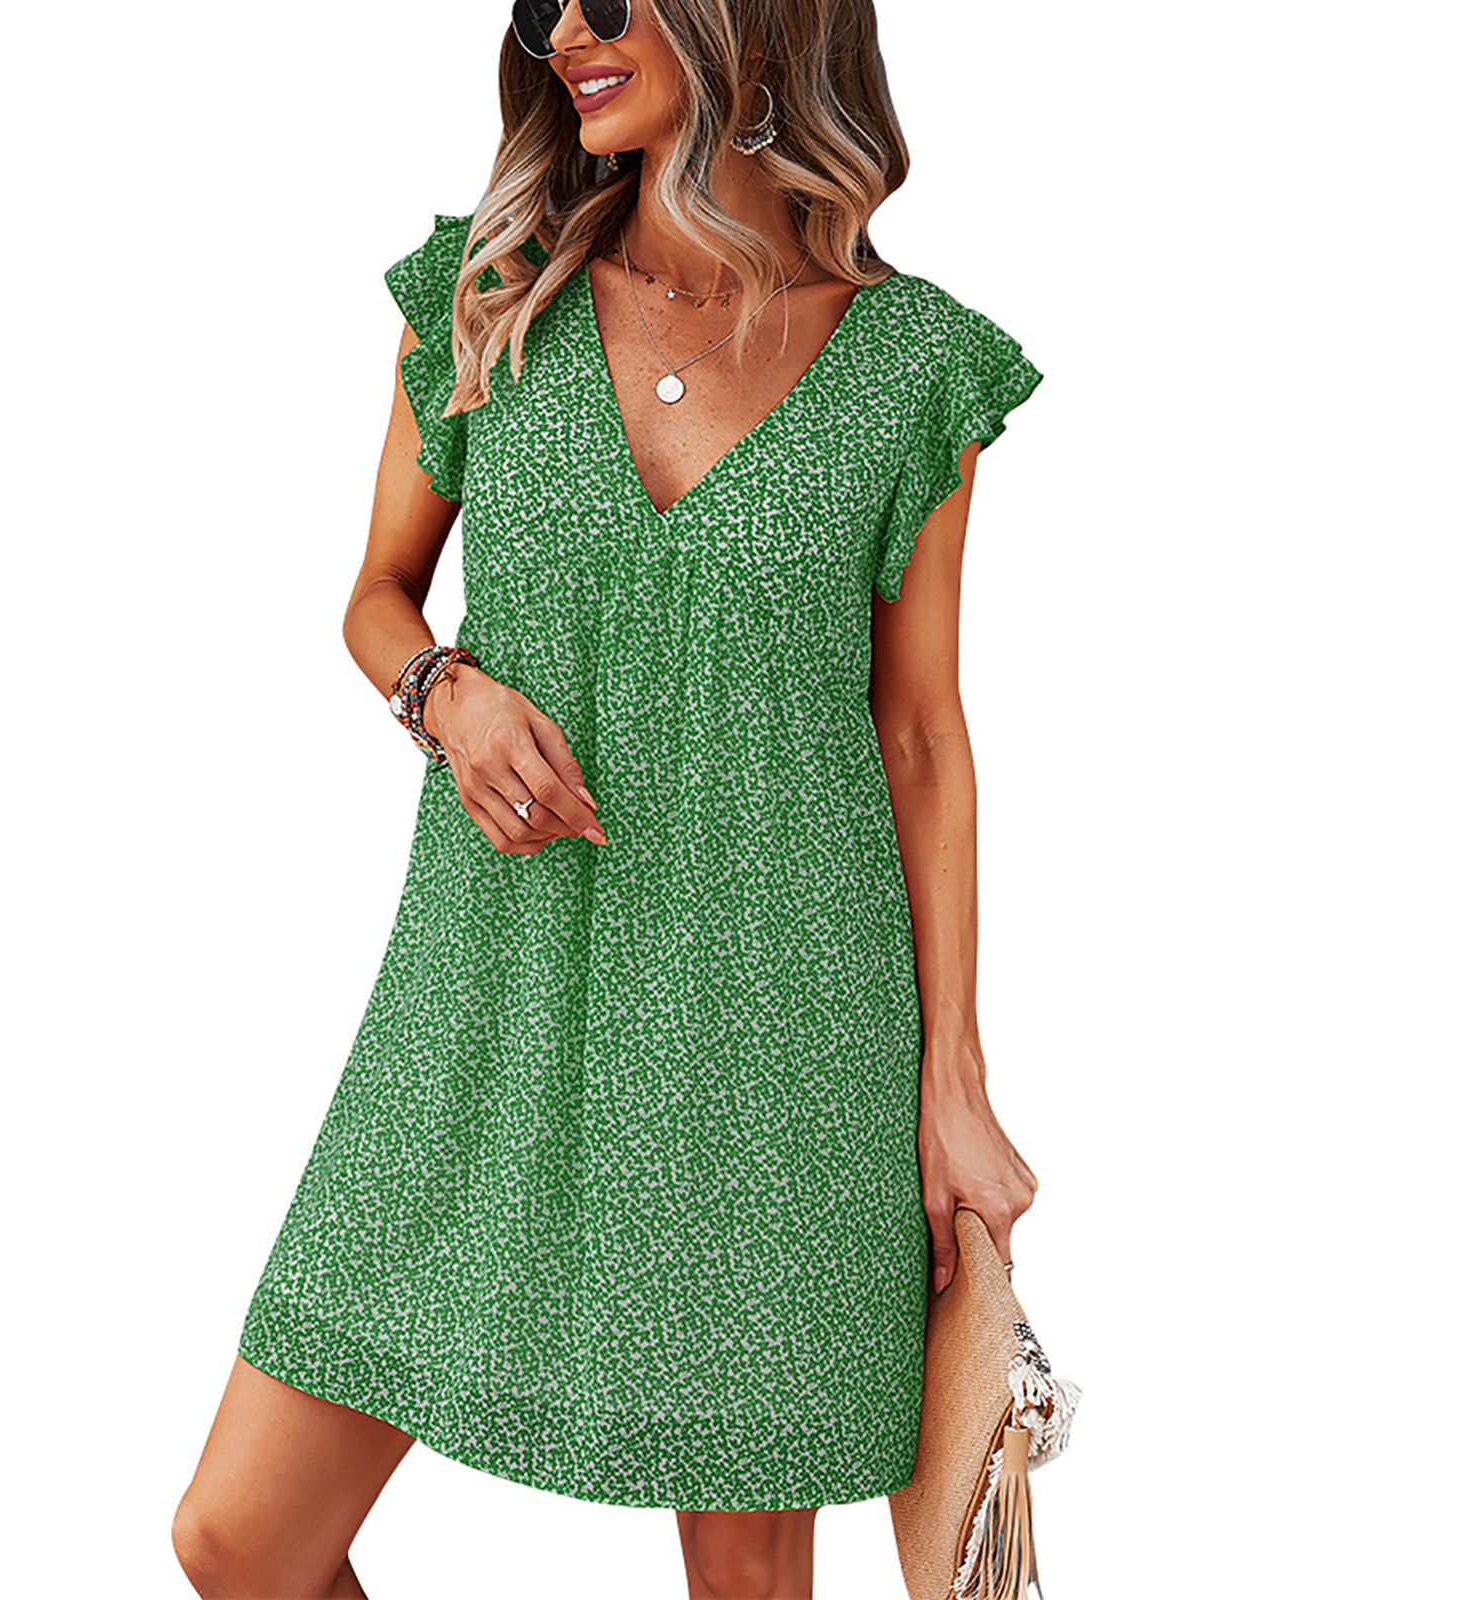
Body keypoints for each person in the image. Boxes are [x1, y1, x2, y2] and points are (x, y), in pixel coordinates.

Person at [173, 0, 1044, 1594]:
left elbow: (921, 733)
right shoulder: (490, 294)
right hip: (483, 996)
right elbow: (375, 596)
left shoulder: (912, 363)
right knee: (240, 1538)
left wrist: (955, 1079)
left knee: (746, 1581)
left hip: (778, 1028)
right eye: (541, 1)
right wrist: (442, 694)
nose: (566, 25)